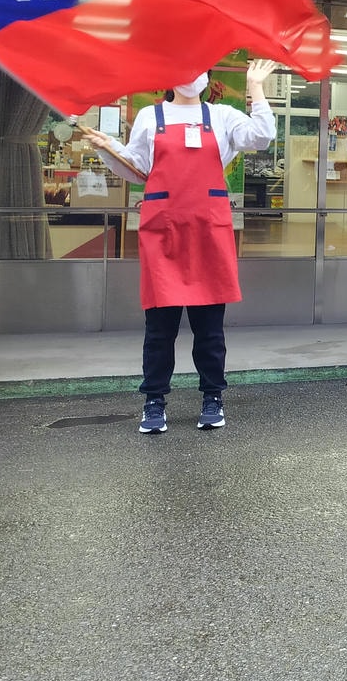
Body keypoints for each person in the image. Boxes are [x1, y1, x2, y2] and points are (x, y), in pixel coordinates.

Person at [83, 60, 278, 434]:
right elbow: (138, 168)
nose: (193, 75)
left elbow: (262, 137)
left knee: (209, 329)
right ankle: (154, 402)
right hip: (164, 232)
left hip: (207, 231)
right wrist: (109, 149)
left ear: (208, 77)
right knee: (159, 328)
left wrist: (255, 86)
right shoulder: (149, 116)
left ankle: (213, 397)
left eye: (200, 68)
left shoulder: (222, 116)